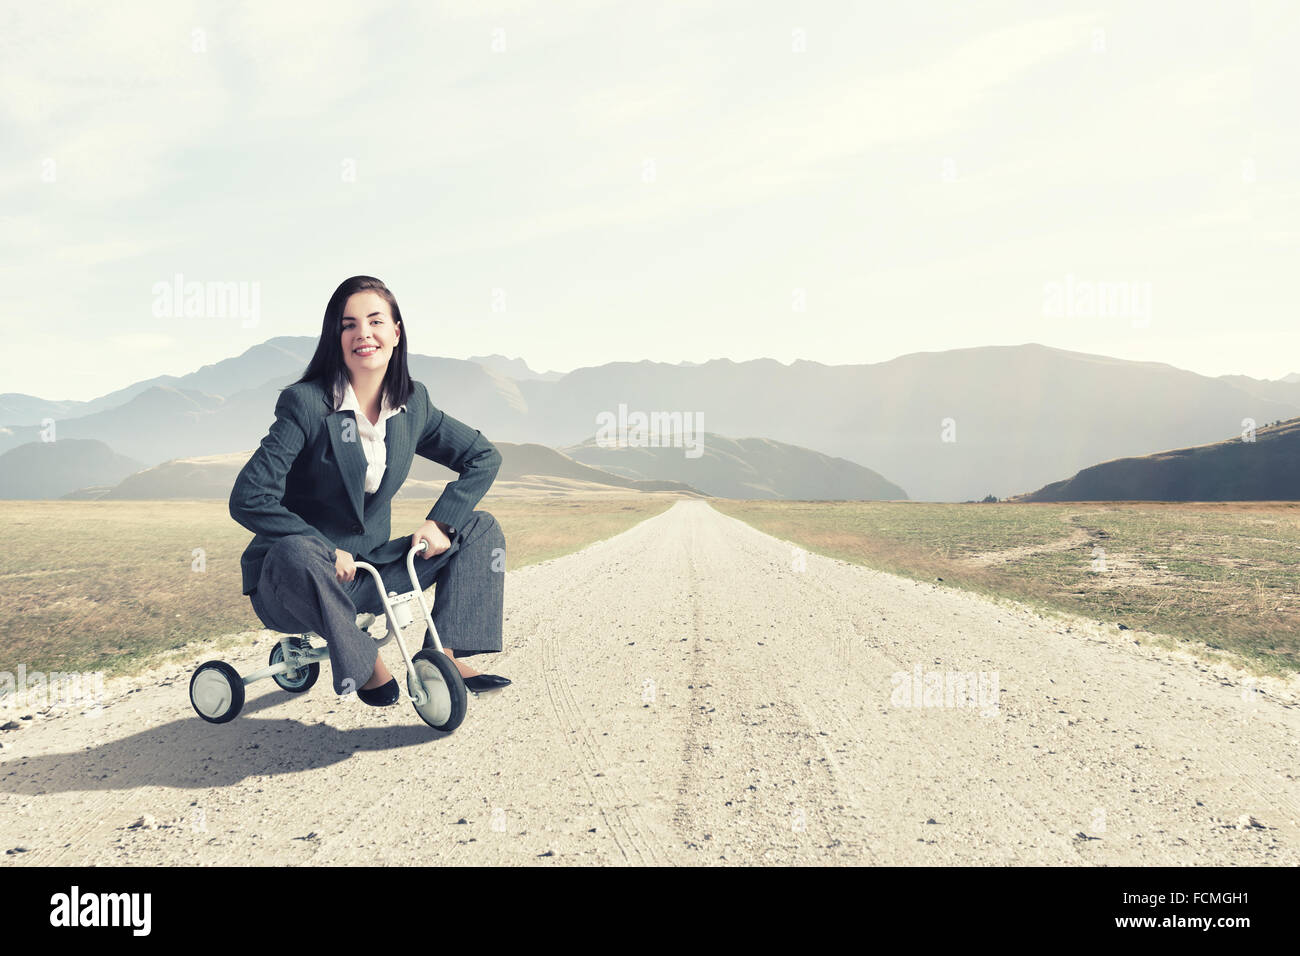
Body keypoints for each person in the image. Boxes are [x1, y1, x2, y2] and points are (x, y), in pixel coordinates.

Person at [228, 275, 510, 705]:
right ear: (335, 338)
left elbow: (483, 456)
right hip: (295, 579)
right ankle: (364, 663)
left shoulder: (414, 405)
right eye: (349, 325)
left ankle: (444, 656)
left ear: (396, 332)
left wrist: (439, 522)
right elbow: (249, 496)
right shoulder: (305, 405)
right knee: (295, 550)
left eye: (376, 321)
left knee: (479, 528)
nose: (364, 333)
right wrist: (323, 547)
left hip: (371, 573)